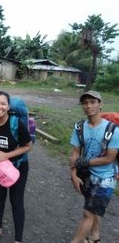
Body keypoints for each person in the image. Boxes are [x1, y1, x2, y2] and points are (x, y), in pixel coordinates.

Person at [0, 91, 32, 243]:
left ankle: (18, 239)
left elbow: (28, 146)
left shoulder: (17, 123)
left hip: (17, 167)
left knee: (16, 201)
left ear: (8, 106)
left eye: (3, 103)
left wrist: (6, 155)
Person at [69, 91, 119, 243]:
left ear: (100, 104)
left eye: (92, 102)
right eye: (85, 103)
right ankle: (95, 236)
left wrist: (86, 162)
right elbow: (75, 153)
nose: (88, 105)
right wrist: (73, 175)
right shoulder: (79, 127)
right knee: (93, 207)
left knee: (88, 213)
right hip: (86, 176)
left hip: (105, 178)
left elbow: (109, 158)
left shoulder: (113, 130)